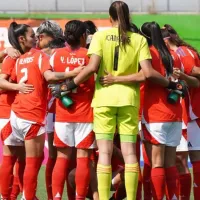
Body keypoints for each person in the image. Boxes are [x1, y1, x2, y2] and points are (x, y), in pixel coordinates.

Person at [55, 2, 183, 199]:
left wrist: (68, 85)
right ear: (128, 16)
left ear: (109, 18)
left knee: (104, 154)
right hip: (129, 100)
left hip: (104, 100)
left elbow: (91, 68)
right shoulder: (139, 39)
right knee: (130, 154)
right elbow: (146, 73)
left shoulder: (99, 36)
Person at [0, 21, 83, 199]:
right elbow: (50, 77)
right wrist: (73, 73)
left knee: (13, 157)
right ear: (22, 39)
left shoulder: (17, 58)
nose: (37, 39)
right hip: (30, 114)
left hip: (15, 113)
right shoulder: (36, 56)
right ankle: (27, 196)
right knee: (33, 160)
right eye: (33, 36)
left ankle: (9, 196)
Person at [49, 20, 96, 200]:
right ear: (84, 36)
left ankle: (57, 197)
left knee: (62, 158)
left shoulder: (56, 54)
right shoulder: (89, 55)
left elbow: (50, 78)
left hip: (63, 113)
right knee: (83, 158)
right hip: (85, 113)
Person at [162, 25, 200, 200]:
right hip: (185, 114)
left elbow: (194, 73)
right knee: (179, 160)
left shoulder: (182, 52)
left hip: (191, 114)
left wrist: (183, 77)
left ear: (166, 40)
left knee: (187, 159)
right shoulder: (183, 51)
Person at [35, 20, 65, 200]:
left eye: (42, 35)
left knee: (54, 156)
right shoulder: (68, 52)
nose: (38, 38)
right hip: (58, 109)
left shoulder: (41, 55)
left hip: (51, 110)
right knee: (60, 156)